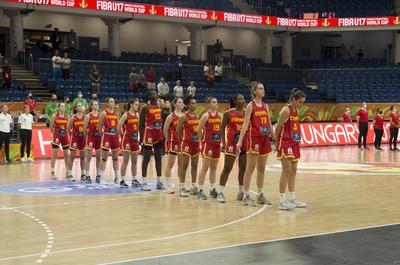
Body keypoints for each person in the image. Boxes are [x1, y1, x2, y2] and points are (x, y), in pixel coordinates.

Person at [237, 82, 276, 206]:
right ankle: (246, 195)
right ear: (254, 91)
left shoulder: (265, 106)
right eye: (260, 88)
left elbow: (269, 124)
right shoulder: (250, 106)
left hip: (265, 139)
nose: (262, 90)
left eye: (263, 88)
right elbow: (245, 124)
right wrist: (239, 141)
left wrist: (275, 138)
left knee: (262, 168)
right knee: (250, 167)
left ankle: (260, 194)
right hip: (254, 138)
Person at [275, 88, 307, 210]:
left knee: (293, 170)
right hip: (285, 143)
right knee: (286, 171)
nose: (302, 104)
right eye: (300, 102)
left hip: (294, 143)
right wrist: (276, 142)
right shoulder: (285, 110)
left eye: (303, 102)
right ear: (294, 99)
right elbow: (277, 128)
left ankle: (292, 198)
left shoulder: (296, 111)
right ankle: (282, 201)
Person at [217, 94, 248, 203]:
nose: (243, 100)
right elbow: (222, 129)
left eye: (243, 98)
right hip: (231, 143)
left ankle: (241, 192)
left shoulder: (247, 113)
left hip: (244, 142)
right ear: (234, 101)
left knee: (243, 168)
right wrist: (223, 142)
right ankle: (220, 192)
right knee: (227, 168)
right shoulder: (228, 113)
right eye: (240, 98)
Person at [196, 97, 222, 200]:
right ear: (209, 104)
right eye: (214, 102)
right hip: (208, 144)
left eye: (216, 101)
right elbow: (199, 129)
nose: (216, 103)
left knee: (214, 168)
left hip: (217, 144)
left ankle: (212, 189)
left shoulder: (220, 116)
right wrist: (203, 140)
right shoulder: (206, 116)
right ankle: (200, 189)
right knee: (205, 168)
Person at [139, 90, 164, 191]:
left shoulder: (159, 107)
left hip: (158, 133)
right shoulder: (145, 108)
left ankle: (159, 181)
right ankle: (144, 182)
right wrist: (141, 138)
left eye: (156, 93)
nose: (156, 95)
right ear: (149, 96)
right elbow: (141, 124)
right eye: (153, 94)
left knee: (159, 158)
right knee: (146, 159)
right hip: (148, 133)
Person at [176, 96, 200, 196]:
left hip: (196, 144)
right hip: (186, 143)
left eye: (195, 103)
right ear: (188, 105)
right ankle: (181, 186)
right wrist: (182, 141)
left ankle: (194, 186)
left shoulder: (197, 116)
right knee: (184, 166)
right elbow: (178, 131)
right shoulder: (184, 117)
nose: (195, 105)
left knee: (194, 166)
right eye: (193, 103)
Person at [117, 98, 141, 188]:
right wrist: (123, 136)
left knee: (134, 161)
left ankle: (134, 179)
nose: (137, 106)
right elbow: (118, 127)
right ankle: (122, 180)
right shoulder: (126, 115)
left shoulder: (137, 115)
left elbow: (138, 127)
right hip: (127, 140)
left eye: (138, 105)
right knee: (125, 161)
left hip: (135, 140)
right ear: (131, 104)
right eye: (135, 104)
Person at [163, 97, 184, 194]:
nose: (182, 104)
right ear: (175, 104)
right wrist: (169, 140)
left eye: (182, 102)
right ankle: (167, 185)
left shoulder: (184, 115)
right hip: (173, 143)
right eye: (179, 102)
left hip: (182, 143)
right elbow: (164, 130)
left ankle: (181, 185)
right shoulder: (171, 116)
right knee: (170, 164)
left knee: (181, 165)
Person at [97, 98, 120, 184]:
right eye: (111, 101)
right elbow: (99, 125)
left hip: (115, 136)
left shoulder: (116, 113)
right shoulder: (104, 113)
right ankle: (102, 177)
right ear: (107, 104)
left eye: (113, 101)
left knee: (115, 158)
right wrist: (102, 135)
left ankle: (117, 177)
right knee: (104, 158)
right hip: (107, 135)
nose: (113, 102)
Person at [49, 103, 70, 180]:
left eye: (64, 106)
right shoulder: (54, 116)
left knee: (66, 155)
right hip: (57, 135)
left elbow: (68, 127)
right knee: (54, 154)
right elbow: (51, 127)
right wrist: (54, 135)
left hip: (64, 136)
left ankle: (68, 172)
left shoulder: (67, 116)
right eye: (61, 106)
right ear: (59, 108)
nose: (63, 108)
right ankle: (52, 172)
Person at [83, 100, 101, 184]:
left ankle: (98, 175)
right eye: (95, 104)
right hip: (91, 137)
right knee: (88, 157)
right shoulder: (88, 116)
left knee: (98, 157)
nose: (97, 105)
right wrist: (88, 136)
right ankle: (87, 175)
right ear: (91, 106)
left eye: (97, 104)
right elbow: (84, 129)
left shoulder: (101, 115)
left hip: (99, 137)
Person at [66, 103, 86, 181]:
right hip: (75, 137)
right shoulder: (73, 117)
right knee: (72, 157)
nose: (80, 107)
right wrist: (72, 136)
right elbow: (68, 128)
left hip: (83, 138)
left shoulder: (85, 117)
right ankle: (69, 173)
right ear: (76, 108)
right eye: (78, 106)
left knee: (83, 157)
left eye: (80, 105)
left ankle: (83, 173)